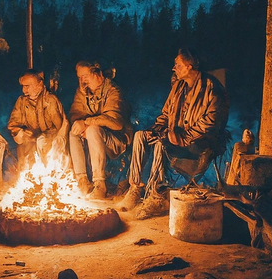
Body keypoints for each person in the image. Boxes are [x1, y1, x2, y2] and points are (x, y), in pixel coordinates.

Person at [119, 47, 229, 219]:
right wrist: (155, 130)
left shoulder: (211, 88)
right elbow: (166, 114)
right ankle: (135, 189)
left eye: (177, 64)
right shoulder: (179, 87)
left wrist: (184, 138)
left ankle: (156, 195)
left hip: (200, 143)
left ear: (190, 66)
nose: (174, 68)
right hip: (175, 137)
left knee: (161, 144)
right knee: (141, 136)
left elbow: (211, 123)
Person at [68, 61, 133, 199]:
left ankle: (99, 184)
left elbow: (115, 122)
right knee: (73, 132)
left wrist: (86, 122)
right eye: (79, 77)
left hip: (116, 141)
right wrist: (80, 124)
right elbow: (75, 114)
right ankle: (82, 181)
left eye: (85, 76)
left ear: (98, 74)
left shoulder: (113, 91)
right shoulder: (82, 92)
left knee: (92, 130)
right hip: (94, 136)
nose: (82, 80)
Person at [7, 69, 69, 170]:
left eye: (27, 86)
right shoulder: (22, 101)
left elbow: (61, 127)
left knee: (42, 142)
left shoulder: (50, 100)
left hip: (51, 140)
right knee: (24, 153)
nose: (24, 90)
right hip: (30, 142)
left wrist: (47, 138)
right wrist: (21, 133)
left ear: (39, 84)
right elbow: (13, 125)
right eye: (23, 86)